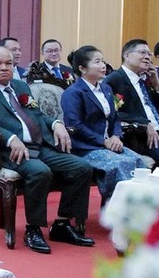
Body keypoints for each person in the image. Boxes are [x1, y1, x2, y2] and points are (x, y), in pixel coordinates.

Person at [0, 46, 95, 254]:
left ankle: (61, 224)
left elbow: (37, 115)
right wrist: (10, 138)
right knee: (39, 171)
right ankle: (33, 229)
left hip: (38, 145)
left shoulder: (19, 86)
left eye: (8, 63)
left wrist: (55, 124)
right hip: (3, 151)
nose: (4, 67)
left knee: (82, 167)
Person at [61, 46, 144, 201]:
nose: (103, 65)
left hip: (109, 144)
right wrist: (103, 141)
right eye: (97, 62)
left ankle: (139, 208)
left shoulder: (105, 88)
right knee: (121, 164)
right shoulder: (73, 93)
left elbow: (115, 118)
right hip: (85, 147)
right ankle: (117, 211)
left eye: (103, 61)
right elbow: (75, 125)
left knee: (139, 162)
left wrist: (116, 136)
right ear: (82, 68)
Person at [104, 39, 159, 166]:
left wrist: (157, 85)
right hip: (142, 138)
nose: (147, 57)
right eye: (142, 53)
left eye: (149, 54)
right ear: (127, 56)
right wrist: (145, 123)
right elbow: (112, 113)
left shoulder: (145, 78)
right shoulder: (114, 80)